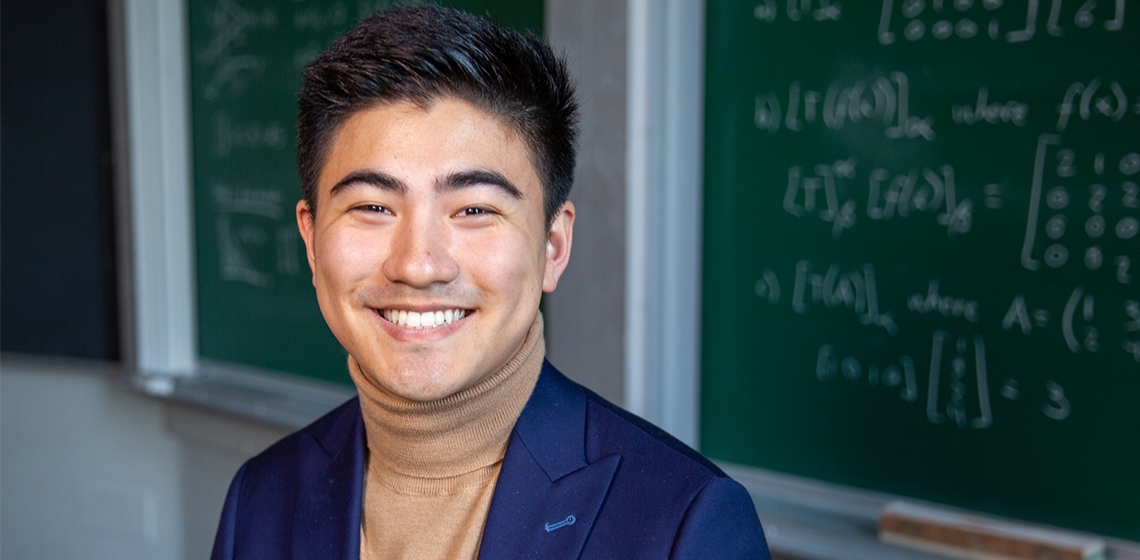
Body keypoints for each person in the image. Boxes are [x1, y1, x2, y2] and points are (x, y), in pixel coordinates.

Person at [210, 5, 770, 559]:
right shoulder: (261, 496)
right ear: (311, 241)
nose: (418, 265)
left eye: (474, 210)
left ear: (553, 246)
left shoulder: (684, 522)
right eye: (374, 206)